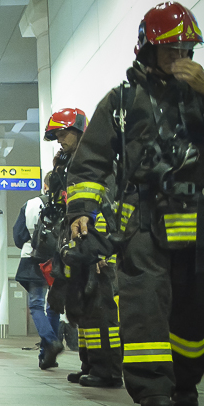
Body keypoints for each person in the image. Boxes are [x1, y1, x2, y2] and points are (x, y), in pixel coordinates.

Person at [67, 1, 204, 406]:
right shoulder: (121, 103)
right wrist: (82, 208)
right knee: (144, 303)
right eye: (171, 49)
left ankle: (186, 379)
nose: (181, 57)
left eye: (187, 49)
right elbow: (91, 162)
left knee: (199, 306)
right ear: (147, 50)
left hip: (197, 221)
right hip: (141, 219)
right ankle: (152, 387)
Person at [44, 108, 123, 388]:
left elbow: (108, 204)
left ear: (78, 130)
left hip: (96, 248)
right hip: (78, 246)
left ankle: (108, 371)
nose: (60, 140)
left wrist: (100, 249)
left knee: (101, 309)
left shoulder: (98, 160)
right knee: (83, 308)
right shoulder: (72, 164)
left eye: (63, 134)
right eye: (56, 136)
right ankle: (90, 364)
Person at [14, 176, 64, 369]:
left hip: (33, 259)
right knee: (54, 307)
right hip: (59, 260)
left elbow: (18, 236)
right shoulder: (67, 203)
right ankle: (46, 356)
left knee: (36, 305)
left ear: (45, 185)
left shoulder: (31, 204)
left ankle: (51, 342)